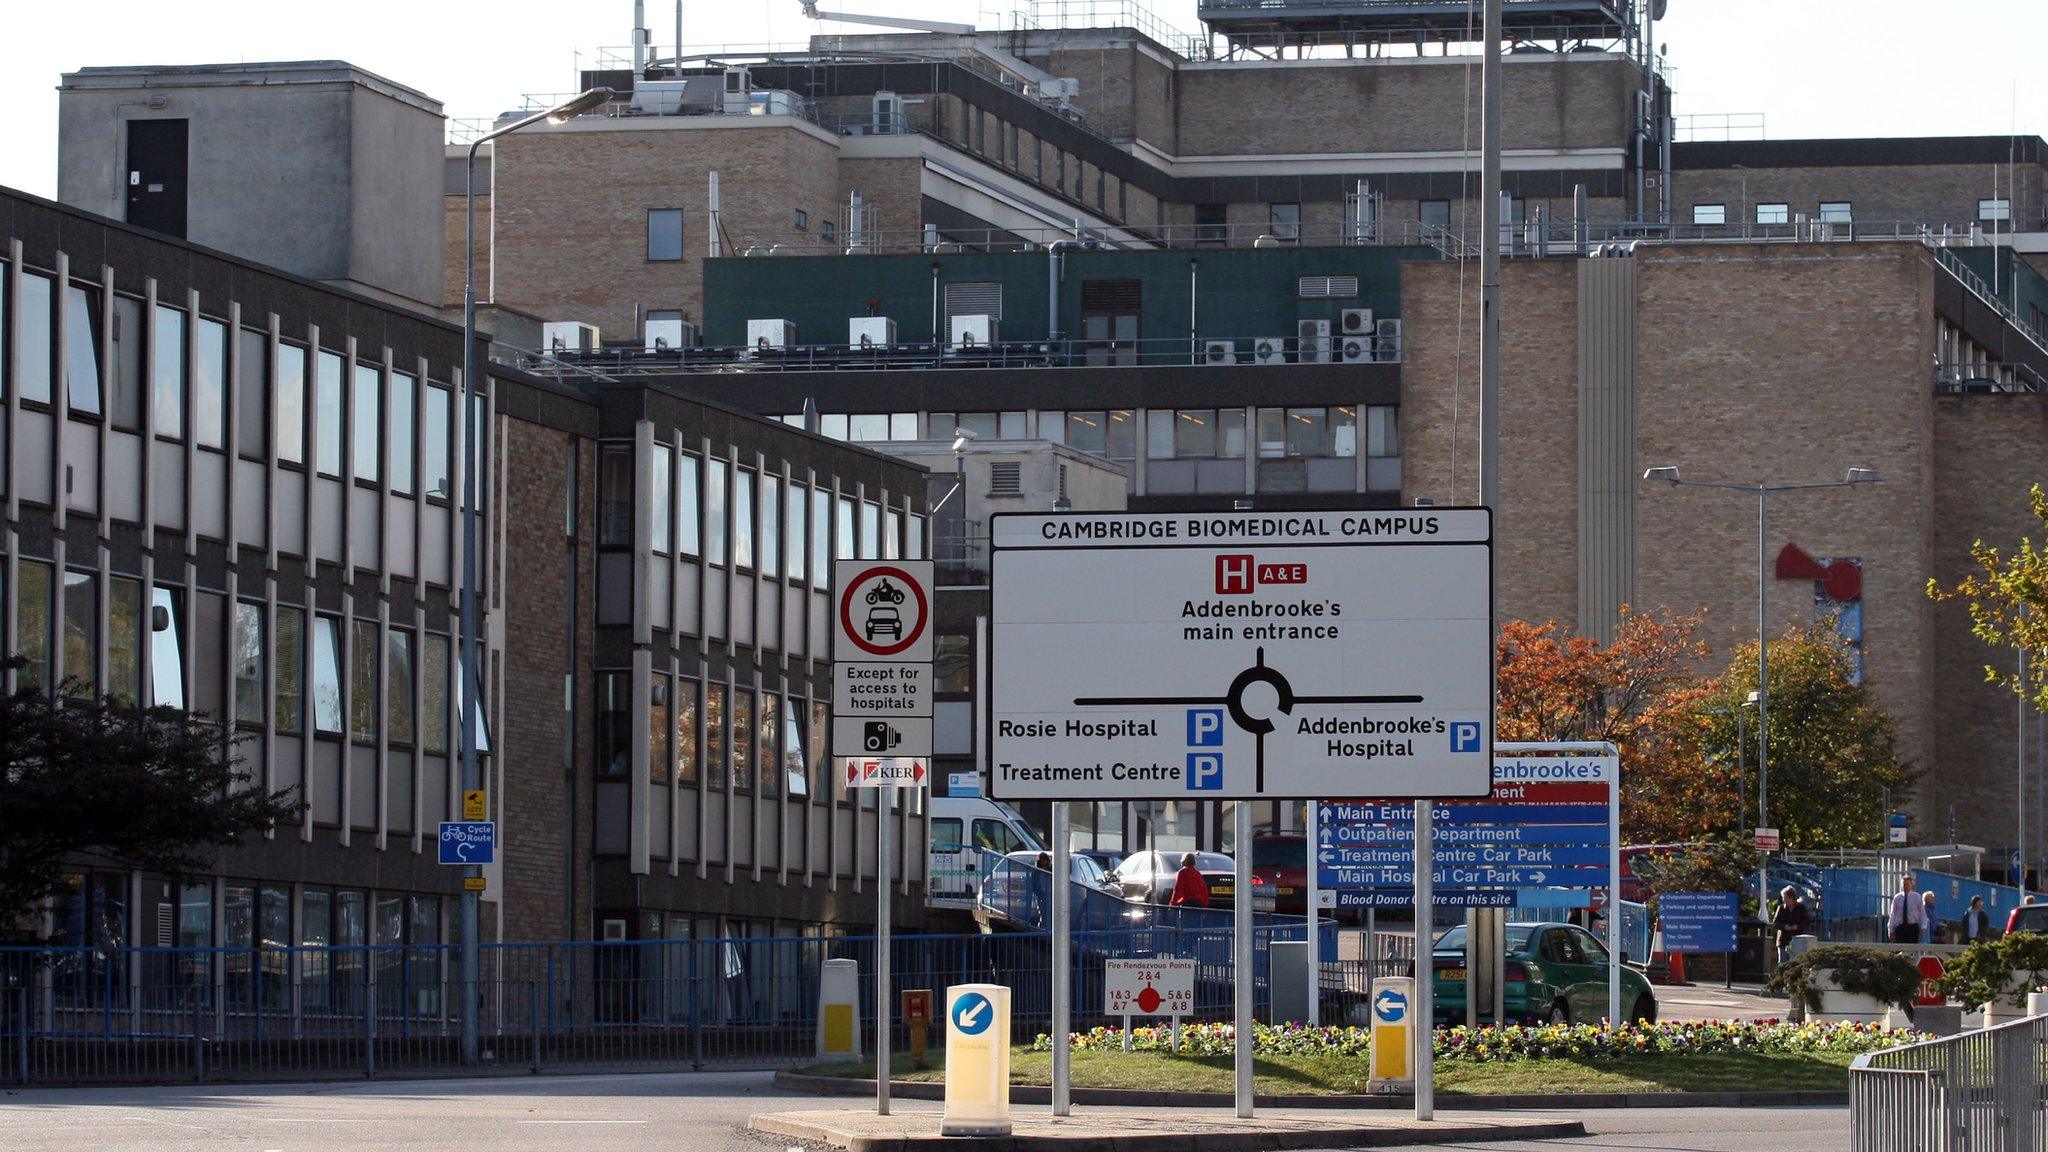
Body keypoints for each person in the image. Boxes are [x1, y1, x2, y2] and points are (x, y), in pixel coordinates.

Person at [1772, 886, 1813, 962]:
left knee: (1796, 962)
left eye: (1786, 898)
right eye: (1783, 898)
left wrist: (1797, 926)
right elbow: (1775, 923)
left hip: (1797, 940)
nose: (1784, 900)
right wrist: (1784, 926)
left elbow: (1807, 921)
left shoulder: (1801, 908)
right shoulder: (1781, 908)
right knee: (1782, 962)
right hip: (1783, 940)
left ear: (1792, 897)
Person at [1888, 874, 1926, 944]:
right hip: (1900, 928)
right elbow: (1892, 914)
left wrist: (1923, 927)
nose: (1905, 886)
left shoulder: (1917, 897)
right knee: (1900, 951)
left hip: (1912, 928)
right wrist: (1890, 929)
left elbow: (1922, 913)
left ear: (1911, 885)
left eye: (1907, 884)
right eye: (1903, 884)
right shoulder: (1897, 898)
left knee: (1912, 951)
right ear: (1901, 885)